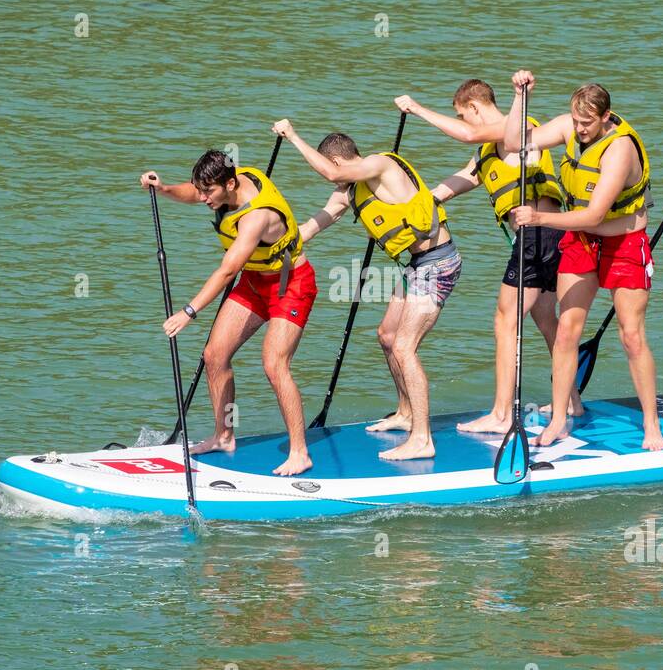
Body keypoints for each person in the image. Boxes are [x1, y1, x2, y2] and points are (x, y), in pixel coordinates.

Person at [393, 82, 584, 434]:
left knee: (504, 320)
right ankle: (571, 399)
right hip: (547, 239)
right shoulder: (488, 149)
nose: (463, 121)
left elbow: (467, 134)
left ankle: (500, 415)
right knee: (544, 317)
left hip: (537, 234)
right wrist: (422, 202)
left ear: (475, 106)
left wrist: (418, 109)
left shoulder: (518, 124)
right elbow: (465, 178)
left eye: (462, 113)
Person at [274, 118, 461, 461]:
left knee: (405, 347)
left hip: (439, 263)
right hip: (417, 266)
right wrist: (283, 242)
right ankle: (405, 414)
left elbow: (332, 176)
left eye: (331, 167)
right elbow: (324, 216)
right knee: (387, 335)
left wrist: (291, 136)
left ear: (337, 161)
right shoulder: (352, 188)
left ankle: (423, 438)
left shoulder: (380, 164)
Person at [505, 72, 663, 452]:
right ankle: (560, 419)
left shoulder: (619, 148)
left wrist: (539, 218)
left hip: (623, 241)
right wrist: (517, 96)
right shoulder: (569, 126)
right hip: (581, 242)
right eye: (575, 121)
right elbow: (513, 142)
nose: (578, 130)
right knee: (565, 331)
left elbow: (595, 215)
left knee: (631, 335)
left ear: (606, 118)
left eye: (587, 123)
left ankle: (651, 423)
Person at [140, 149, 317, 475]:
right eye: (203, 191)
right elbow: (194, 192)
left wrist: (189, 311)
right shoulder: (228, 180)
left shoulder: (256, 217)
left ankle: (300, 452)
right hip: (254, 282)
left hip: (291, 286)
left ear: (231, 184)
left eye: (209, 192)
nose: (204, 198)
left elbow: (226, 271)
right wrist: (163, 189)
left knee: (274, 364)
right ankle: (224, 436)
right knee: (215, 355)